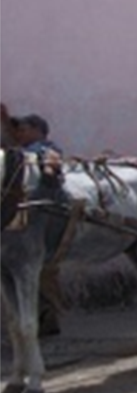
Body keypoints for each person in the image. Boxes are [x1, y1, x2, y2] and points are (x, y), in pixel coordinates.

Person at [0, 103, 65, 336]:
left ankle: (48, 319)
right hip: (26, 227)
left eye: (23, 128)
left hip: (43, 226)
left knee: (44, 278)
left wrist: (49, 170)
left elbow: (51, 162)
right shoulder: (16, 158)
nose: (19, 133)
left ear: (37, 130)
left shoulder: (44, 149)